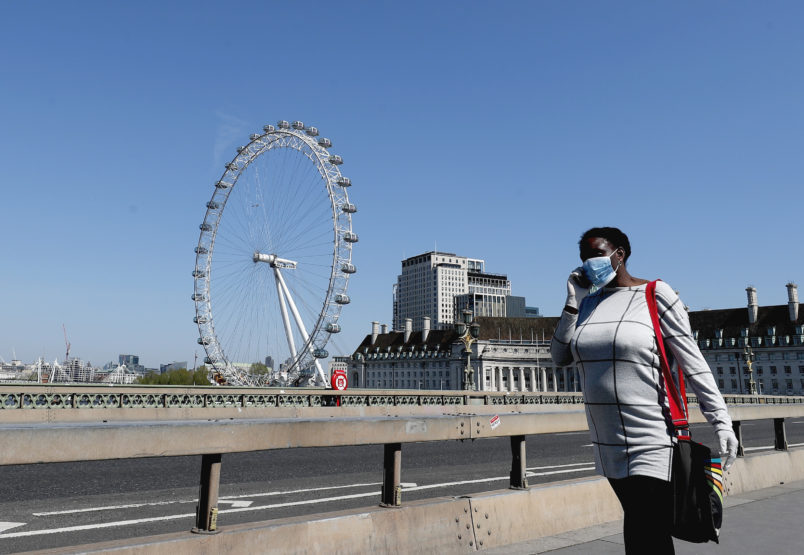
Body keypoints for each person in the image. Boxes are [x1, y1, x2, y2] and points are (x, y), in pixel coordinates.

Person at [550, 227, 739, 555]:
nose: (590, 262)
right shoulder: (588, 305)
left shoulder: (655, 294)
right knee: (643, 530)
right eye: (585, 257)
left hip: (651, 437)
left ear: (619, 254)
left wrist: (721, 420)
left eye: (597, 253)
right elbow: (560, 356)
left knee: (643, 528)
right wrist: (571, 304)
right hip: (606, 442)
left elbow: (692, 362)